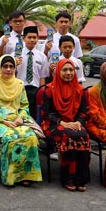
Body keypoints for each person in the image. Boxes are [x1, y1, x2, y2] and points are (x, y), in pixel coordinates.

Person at [0, 55, 43, 187]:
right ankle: (11, 176)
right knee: (10, 137)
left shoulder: (19, 85)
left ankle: (26, 175)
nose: (8, 69)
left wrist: (20, 118)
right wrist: (4, 121)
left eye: (11, 66)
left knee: (30, 137)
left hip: (17, 120)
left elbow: (24, 106)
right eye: (5, 66)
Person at [41, 59, 90, 191]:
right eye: (65, 70)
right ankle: (68, 178)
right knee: (69, 136)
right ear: (58, 71)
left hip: (75, 124)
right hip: (53, 124)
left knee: (83, 135)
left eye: (71, 70)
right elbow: (46, 114)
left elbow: (85, 112)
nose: (68, 73)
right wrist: (62, 122)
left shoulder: (81, 90)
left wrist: (78, 122)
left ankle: (80, 178)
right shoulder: (49, 90)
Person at [16, 26, 49, 117]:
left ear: (38, 38)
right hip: (20, 89)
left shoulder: (42, 57)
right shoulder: (16, 55)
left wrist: (41, 92)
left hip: (35, 90)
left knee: (34, 114)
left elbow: (42, 76)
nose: (32, 40)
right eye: (29, 37)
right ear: (23, 38)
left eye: (34, 37)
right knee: (20, 114)